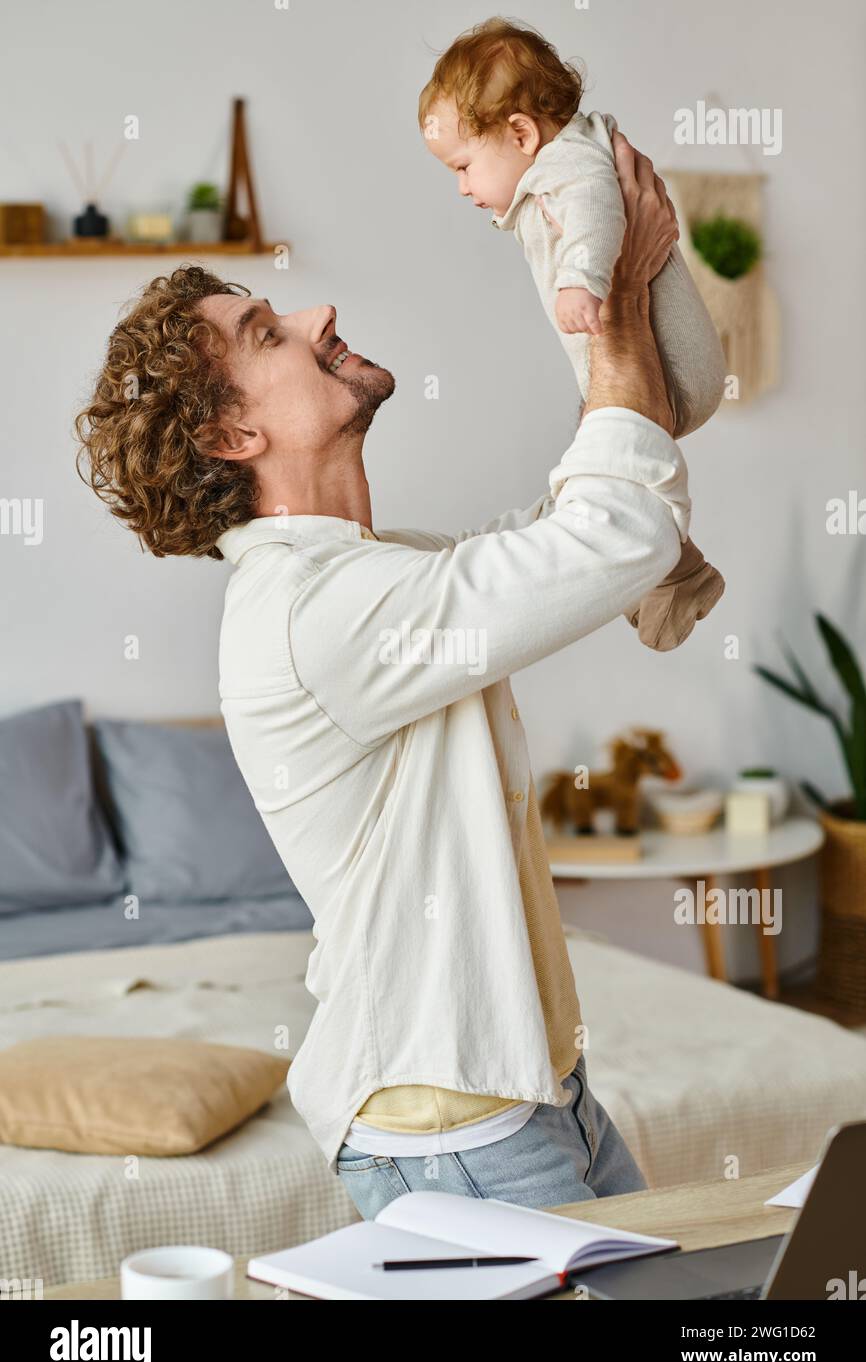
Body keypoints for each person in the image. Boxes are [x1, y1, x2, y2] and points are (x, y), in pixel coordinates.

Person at [76, 129, 692, 1221]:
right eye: (268, 331)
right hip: (449, 1132)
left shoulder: (370, 573)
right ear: (232, 430)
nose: (318, 317)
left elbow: (558, 541)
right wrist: (625, 300)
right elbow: (613, 534)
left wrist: (590, 274)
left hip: (525, 1095)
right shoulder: (318, 615)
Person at [420, 15, 726, 651]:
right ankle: (679, 571)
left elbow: (595, 205)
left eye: (464, 165)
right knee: (596, 468)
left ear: (522, 133)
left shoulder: (570, 163)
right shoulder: (558, 161)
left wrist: (583, 279)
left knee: (597, 466)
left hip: (671, 371)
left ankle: (666, 566)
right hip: (667, 371)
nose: (461, 187)